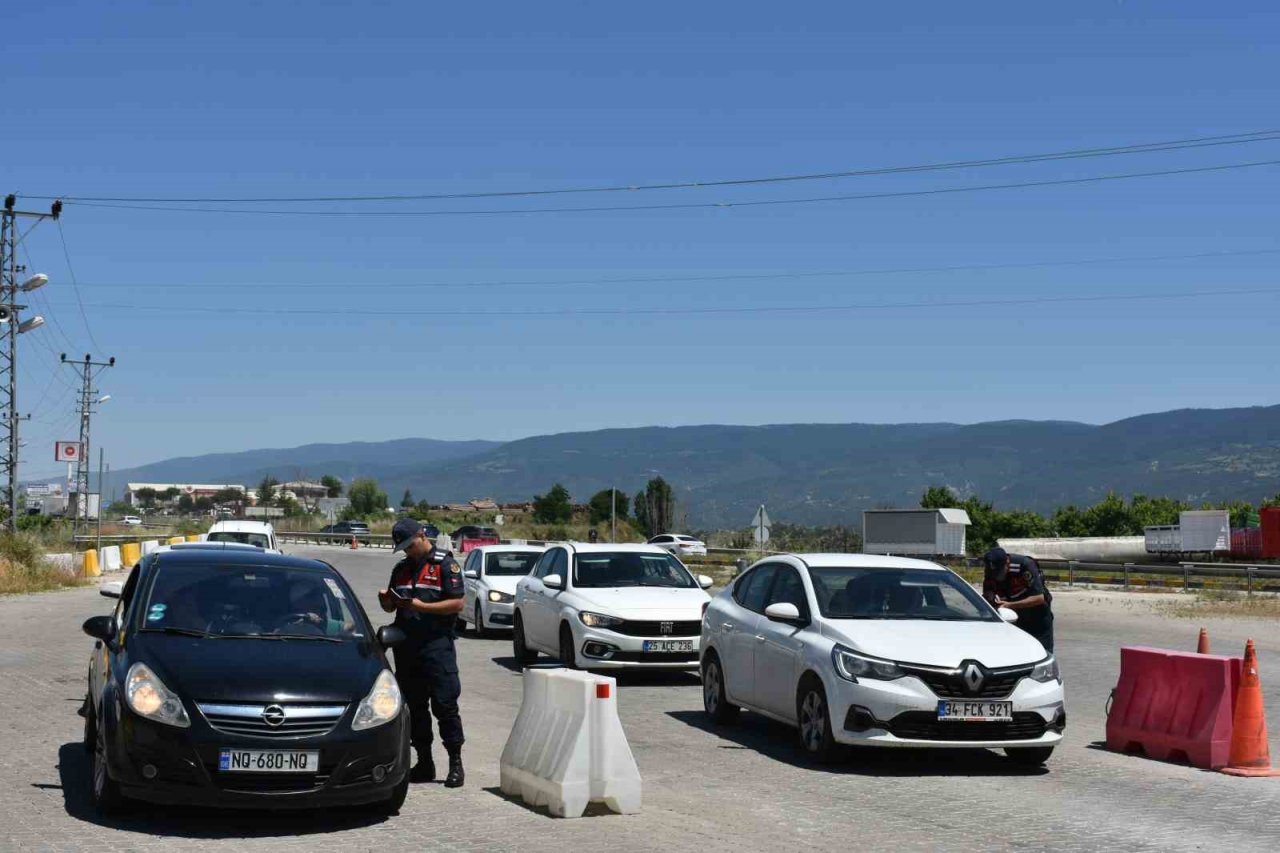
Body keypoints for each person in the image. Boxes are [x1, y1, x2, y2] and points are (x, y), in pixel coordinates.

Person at [378, 518, 466, 787]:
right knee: (414, 708)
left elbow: (458, 603)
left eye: (410, 545)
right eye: (403, 547)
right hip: (407, 649)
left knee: (445, 705)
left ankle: (455, 763)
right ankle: (424, 762)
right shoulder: (402, 569)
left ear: (421, 535)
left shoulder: (445, 565)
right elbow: (391, 609)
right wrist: (387, 601)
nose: (408, 551)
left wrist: (421, 606)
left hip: (436, 647)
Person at [982, 547, 1055, 652]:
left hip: (1038, 615)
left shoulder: (1024, 565)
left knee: (1043, 652)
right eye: (994, 573)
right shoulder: (990, 571)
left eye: (999, 572)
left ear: (1007, 563)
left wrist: (1009, 605)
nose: (997, 576)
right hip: (1014, 617)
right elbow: (988, 593)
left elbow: (1039, 598)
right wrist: (990, 598)